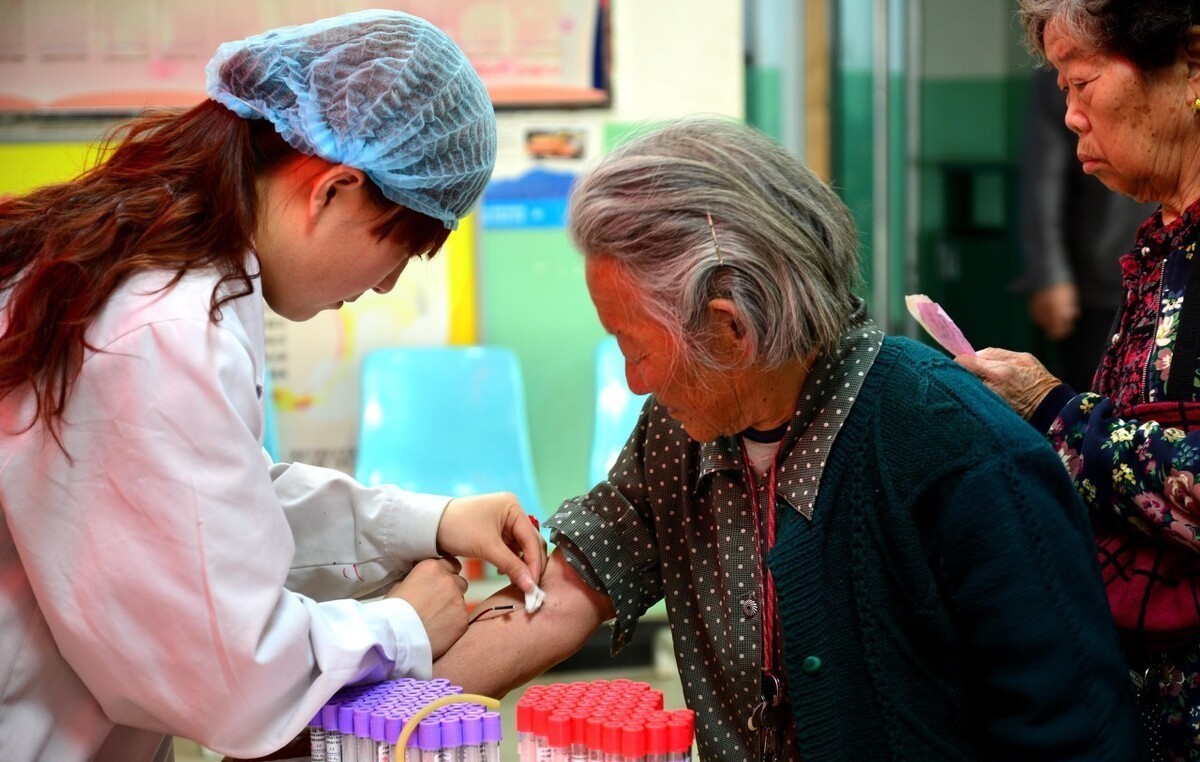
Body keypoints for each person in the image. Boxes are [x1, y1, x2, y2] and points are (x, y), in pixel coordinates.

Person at [433, 116, 1139, 760]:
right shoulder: (680, 437)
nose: (632, 381)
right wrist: (395, 701)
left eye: (635, 346)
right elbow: (566, 590)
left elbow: (1073, 733)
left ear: (731, 329)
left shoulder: (958, 452)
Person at [0, 10, 546, 762]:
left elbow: (210, 506)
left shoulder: (150, 264)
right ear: (334, 190)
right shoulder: (165, 327)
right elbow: (233, 681)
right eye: (398, 251)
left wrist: (431, 521)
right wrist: (403, 623)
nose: (386, 286)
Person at [959, 2, 1200, 758]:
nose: (1069, 116)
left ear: (1192, 64)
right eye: (1061, 89)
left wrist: (1053, 409)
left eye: (1083, 83)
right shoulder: (1163, 246)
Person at [1018, 65, 1156, 391]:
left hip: (1168, 266)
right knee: (1094, 399)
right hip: (1102, 277)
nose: (1074, 116)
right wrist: (1049, 274)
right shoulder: (1061, 69)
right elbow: (1043, 182)